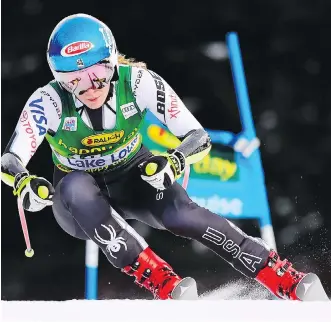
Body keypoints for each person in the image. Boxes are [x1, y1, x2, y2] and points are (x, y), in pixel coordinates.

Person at [1, 13, 328, 301]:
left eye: (98, 73)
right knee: (75, 186)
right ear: (58, 79)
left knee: (182, 214)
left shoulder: (140, 82)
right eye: (73, 80)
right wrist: (23, 182)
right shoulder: (48, 100)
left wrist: (175, 160)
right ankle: (162, 281)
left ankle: (283, 278)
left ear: (113, 62)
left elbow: (197, 137)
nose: (89, 87)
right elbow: (9, 159)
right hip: (77, 204)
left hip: (133, 176)